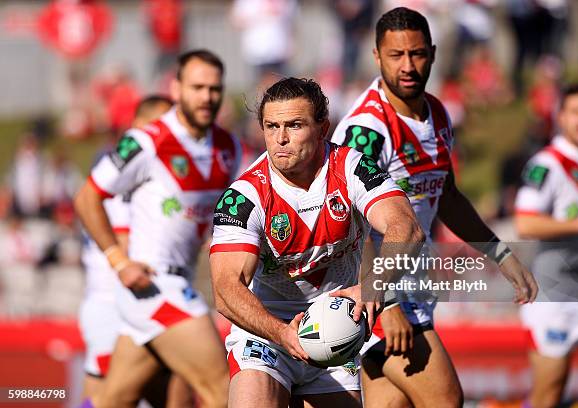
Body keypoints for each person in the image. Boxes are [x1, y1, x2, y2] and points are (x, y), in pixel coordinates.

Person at [330, 7, 538, 407]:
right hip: (378, 296)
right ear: (376, 56)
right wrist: (383, 303)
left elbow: (447, 197)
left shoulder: (438, 114)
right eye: (396, 55)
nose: (408, 65)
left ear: (433, 53)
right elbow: (346, 221)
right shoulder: (366, 130)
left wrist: (501, 254)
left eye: (417, 53)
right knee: (445, 399)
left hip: (413, 289)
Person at [209, 77, 425, 407]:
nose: (280, 138)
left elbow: (405, 227)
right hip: (266, 333)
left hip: (337, 329)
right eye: (271, 126)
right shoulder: (244, 196)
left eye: (294, 125)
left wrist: (372, 285)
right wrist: (283, 334)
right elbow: (226, 289)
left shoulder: (353, 167)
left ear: (323, 129)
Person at [74, 49, 240, 408]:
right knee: (224, 389)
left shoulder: (228, 146)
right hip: (155, 286)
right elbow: (87, 198)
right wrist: (119, 261)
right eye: (197, 87)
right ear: (176, 88)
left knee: (114, 400)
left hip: (174, 282)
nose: (207, 97)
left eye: (215, 88)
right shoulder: (148, 141)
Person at [78, 95, 182, 404]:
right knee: (106, 398)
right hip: (112, 301)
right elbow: (128, 246)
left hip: (143, 300)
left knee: (178, 391)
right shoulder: (123, 174)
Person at [514, 80, 578, 408]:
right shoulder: (546, 165)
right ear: (561, 117)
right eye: (576, 112)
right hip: (556, 298)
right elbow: (525, 223)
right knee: (548, 397)